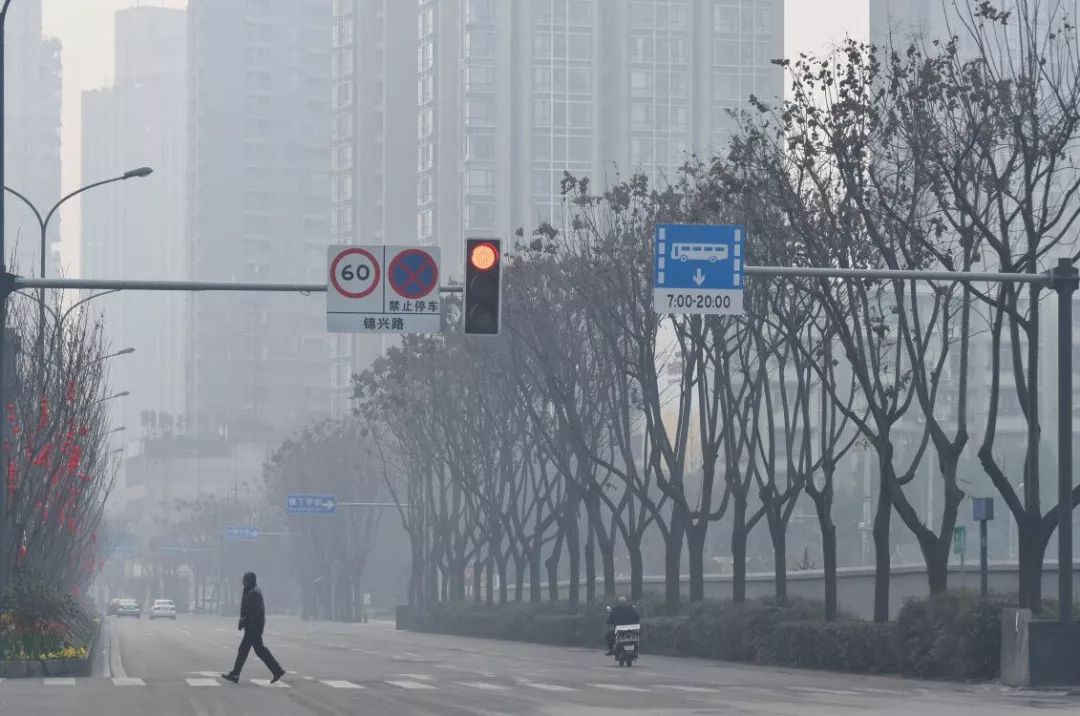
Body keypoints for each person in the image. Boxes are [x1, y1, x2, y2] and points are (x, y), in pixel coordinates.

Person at [222, 572, 285, 684]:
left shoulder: (253, 593)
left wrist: (244, 621)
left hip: (253, 627)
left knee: (247, 650)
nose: (243, 582)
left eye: (245, 580)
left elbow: (253, 612)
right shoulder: (251, 591)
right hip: (252, 626)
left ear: (250, 581)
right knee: (255, 650)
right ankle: (277, 670)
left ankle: (236, 674)